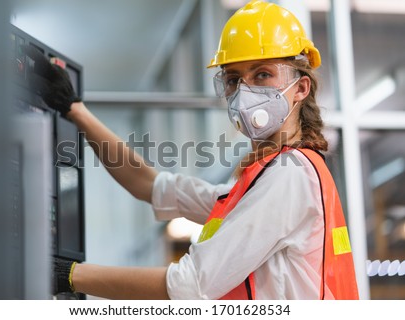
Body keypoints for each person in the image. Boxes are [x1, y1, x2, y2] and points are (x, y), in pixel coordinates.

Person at [26, 0, 359, 300]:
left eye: (263, 74)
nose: (245, 92)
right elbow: (151, 185)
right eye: (232, 79)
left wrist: (68, 275)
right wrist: (75, 110)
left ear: (300, 87)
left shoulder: (290, 176)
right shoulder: (262, 181)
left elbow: (191, 285)